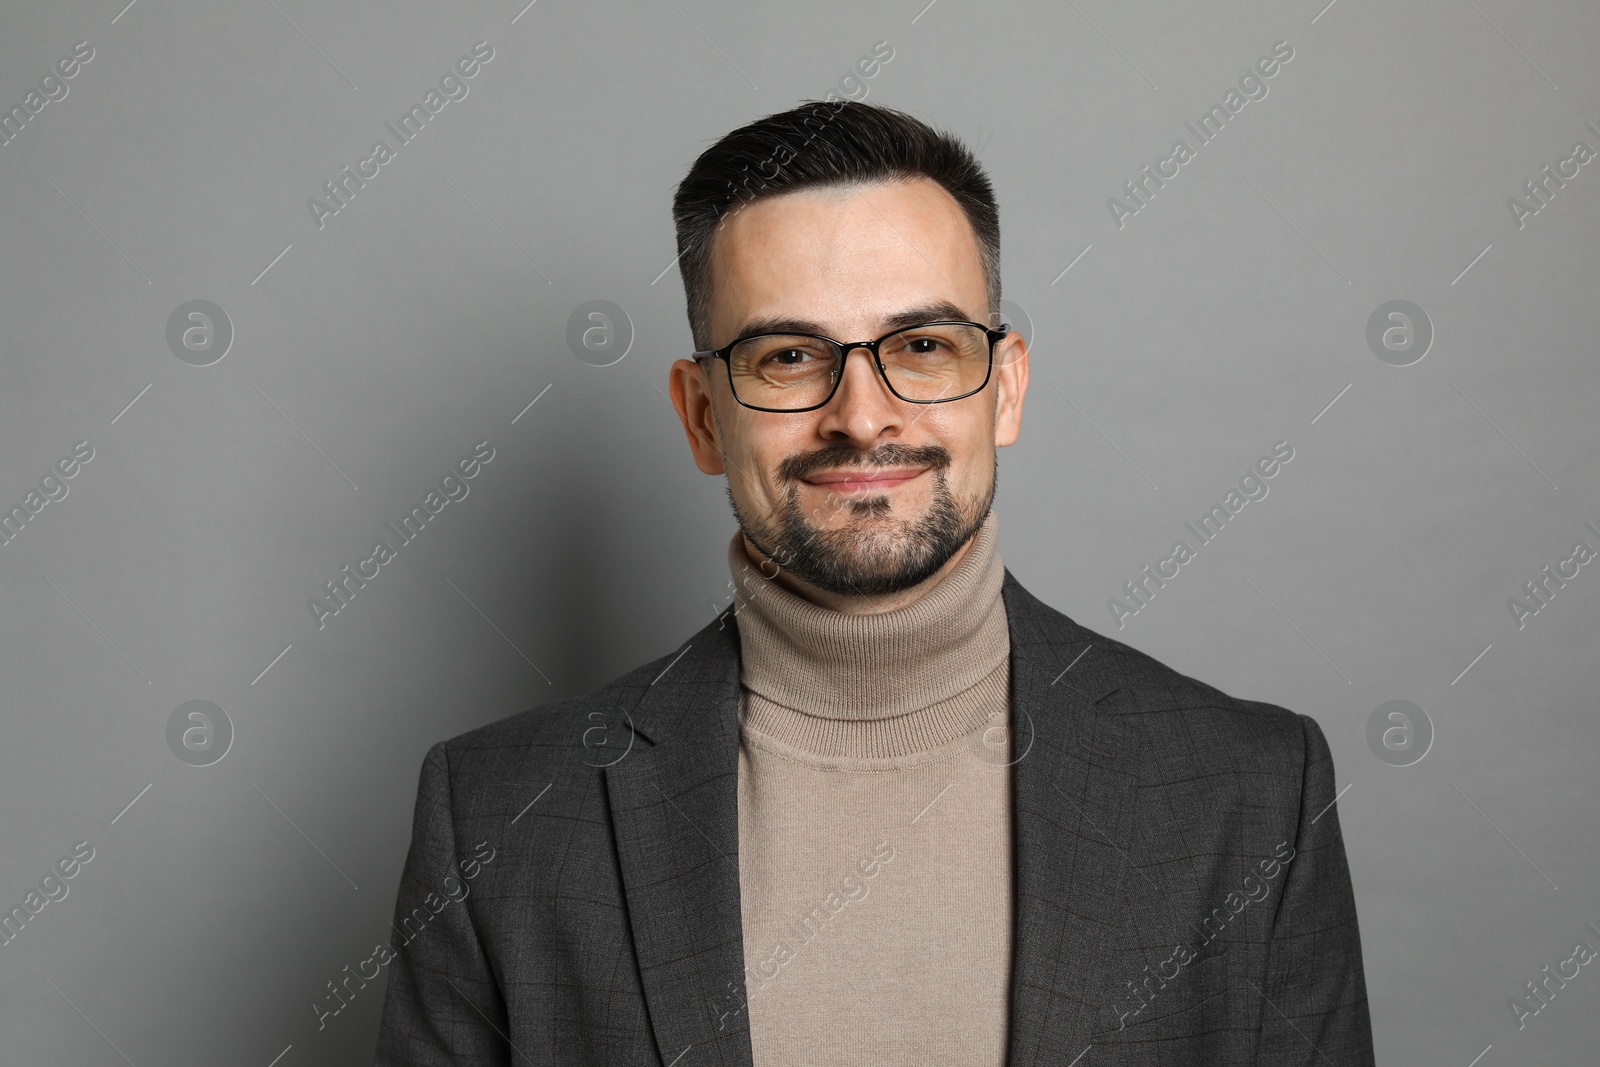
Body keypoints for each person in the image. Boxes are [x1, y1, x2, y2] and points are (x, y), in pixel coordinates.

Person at [374, 100, 1375, 1066]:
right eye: (788, 355)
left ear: (1007, 385)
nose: (861, 415)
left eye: (924, 346)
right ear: (700, 418)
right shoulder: (498, 818)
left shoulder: (1249, 796)